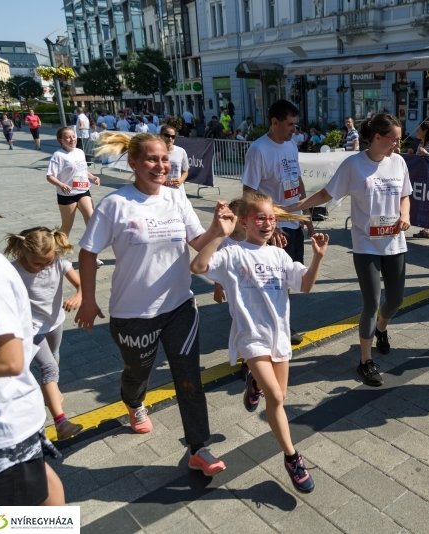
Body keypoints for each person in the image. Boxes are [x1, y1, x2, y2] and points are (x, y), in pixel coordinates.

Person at [77, 132, 229, 476]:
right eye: (151, 159)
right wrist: (88, 299)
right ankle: (133, 403)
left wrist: (218, 229)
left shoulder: (177, 198)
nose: (160, 166)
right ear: (133, 163)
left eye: (164, 160)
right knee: (137, 374)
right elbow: (87, 253)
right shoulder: (115, 205)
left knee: (189, 378)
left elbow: (197, 242)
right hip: (133, 314)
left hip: (179, 308)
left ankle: (198, 448)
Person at [191, 192, 327, 492]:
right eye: (260, 218)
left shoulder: (279, 255)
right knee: (276, 398)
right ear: (245, 222)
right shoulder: (233, 252)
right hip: (250, 337)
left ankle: (254, 383)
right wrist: (219, 234)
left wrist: (317, 257)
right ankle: (292, 458)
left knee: (278, 398)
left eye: (271, 218)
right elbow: (198, 267)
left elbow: (304, 285)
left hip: (278, 336)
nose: (267, 223)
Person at [287, 113, 412, 387]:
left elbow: (405, 194)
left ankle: (381, 330)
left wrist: (405, 215)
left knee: (396, 300)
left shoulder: (399, 162)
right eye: (395, 139)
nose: (398, 145)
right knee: (372, 302)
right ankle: (365, 361)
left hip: (394, 243)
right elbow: (325, 195)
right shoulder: (353, 165)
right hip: (366, 244)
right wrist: (295, 207)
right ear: (378, 137)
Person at [0, 197, 65, 507]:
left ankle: (59, 413)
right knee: (40, 481)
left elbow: (10, 360)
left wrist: (83, 296)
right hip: (7, 420)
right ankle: (59, 415)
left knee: (5, 520)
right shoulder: (4, 268)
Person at [241, 99, 314, 347]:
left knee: (289, 278)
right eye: (290, 124)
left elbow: (297, 179)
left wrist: (306, 214)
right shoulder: (258, 150)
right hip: (274, 228)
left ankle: (280, 323)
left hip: (294, 224)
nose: (295, 130)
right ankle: (264, 330)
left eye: (295, 124)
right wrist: (270, 225)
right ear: (275, 122)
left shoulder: (291, 144)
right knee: (271, 281)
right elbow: (249, 194)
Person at [4, 227, 85, 441]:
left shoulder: (59, 262)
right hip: (29, 328)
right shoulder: (13, 271)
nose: (42, 267)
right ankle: (61, 422)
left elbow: (82, 286)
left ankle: (49, 391)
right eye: (36, 263)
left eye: (46, 262)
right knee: (48, 366)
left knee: (55, 357)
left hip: (54, 321)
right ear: (22, 252)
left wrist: (79, 296)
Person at [46, 127, 101, 241]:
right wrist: (61, 185)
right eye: (68, 137)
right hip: (67, 195)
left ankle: (92, 253)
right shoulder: (58, 156)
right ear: (60, 139)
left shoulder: (80, 152)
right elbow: (50, 176)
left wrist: (92, 177)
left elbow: (82, 169)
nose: (72, 139)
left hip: (83, 191)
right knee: (66, 227)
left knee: (92, 221)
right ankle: (58, 252)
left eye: (74, 136)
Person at [411, 121, 429, 239]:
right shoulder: (420, 144)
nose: (417, 132)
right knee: (424, 204)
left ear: (425, 131)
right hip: (422, 178)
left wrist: (427, 153)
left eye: (419, 130)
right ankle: (425, 230)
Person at [160, 126, 189, 191]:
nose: (170, 138)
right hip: (161, 190)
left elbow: (185, 171)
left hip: (177, 190)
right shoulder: (156, 151)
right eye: (167, 135)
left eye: (173, 137)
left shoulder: (181, 151)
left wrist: (181, 180)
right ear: (161, 136)